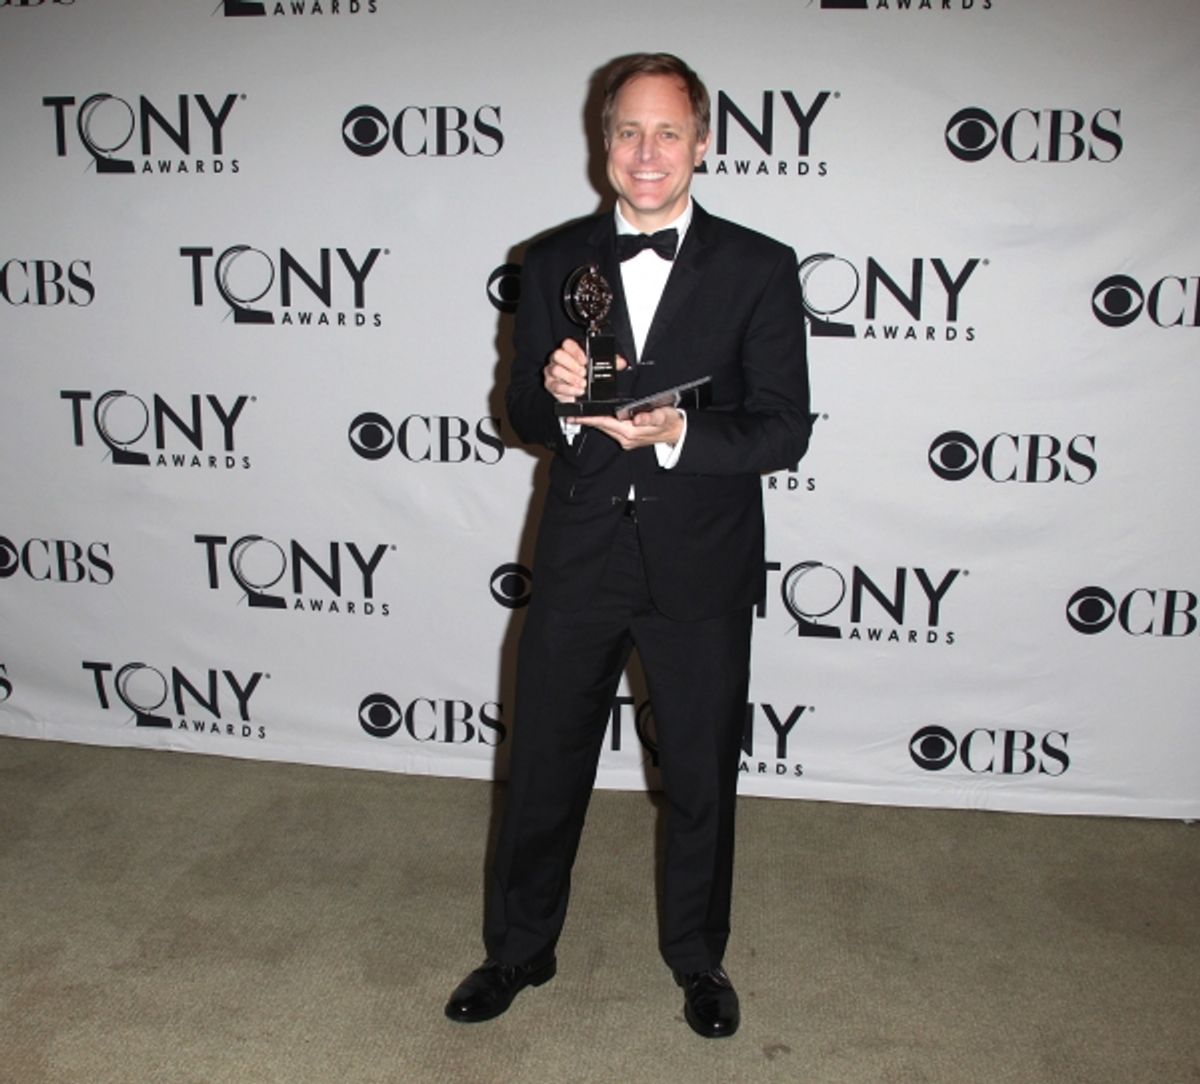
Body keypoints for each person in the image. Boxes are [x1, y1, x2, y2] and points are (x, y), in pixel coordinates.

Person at [445, 52, 811, 1039]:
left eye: (667, 131)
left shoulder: (760, 266)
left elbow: (784, 428)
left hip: (701, 557)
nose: (646, 152)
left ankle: (700, 960)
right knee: (546, 761)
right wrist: (558, 400)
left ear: (704, 142)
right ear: (602, 143)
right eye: (627, 131)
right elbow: (517, 408)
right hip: (580, 554)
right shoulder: (555, 257)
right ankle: (518, 949)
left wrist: (680, 435)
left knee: (698, 773)